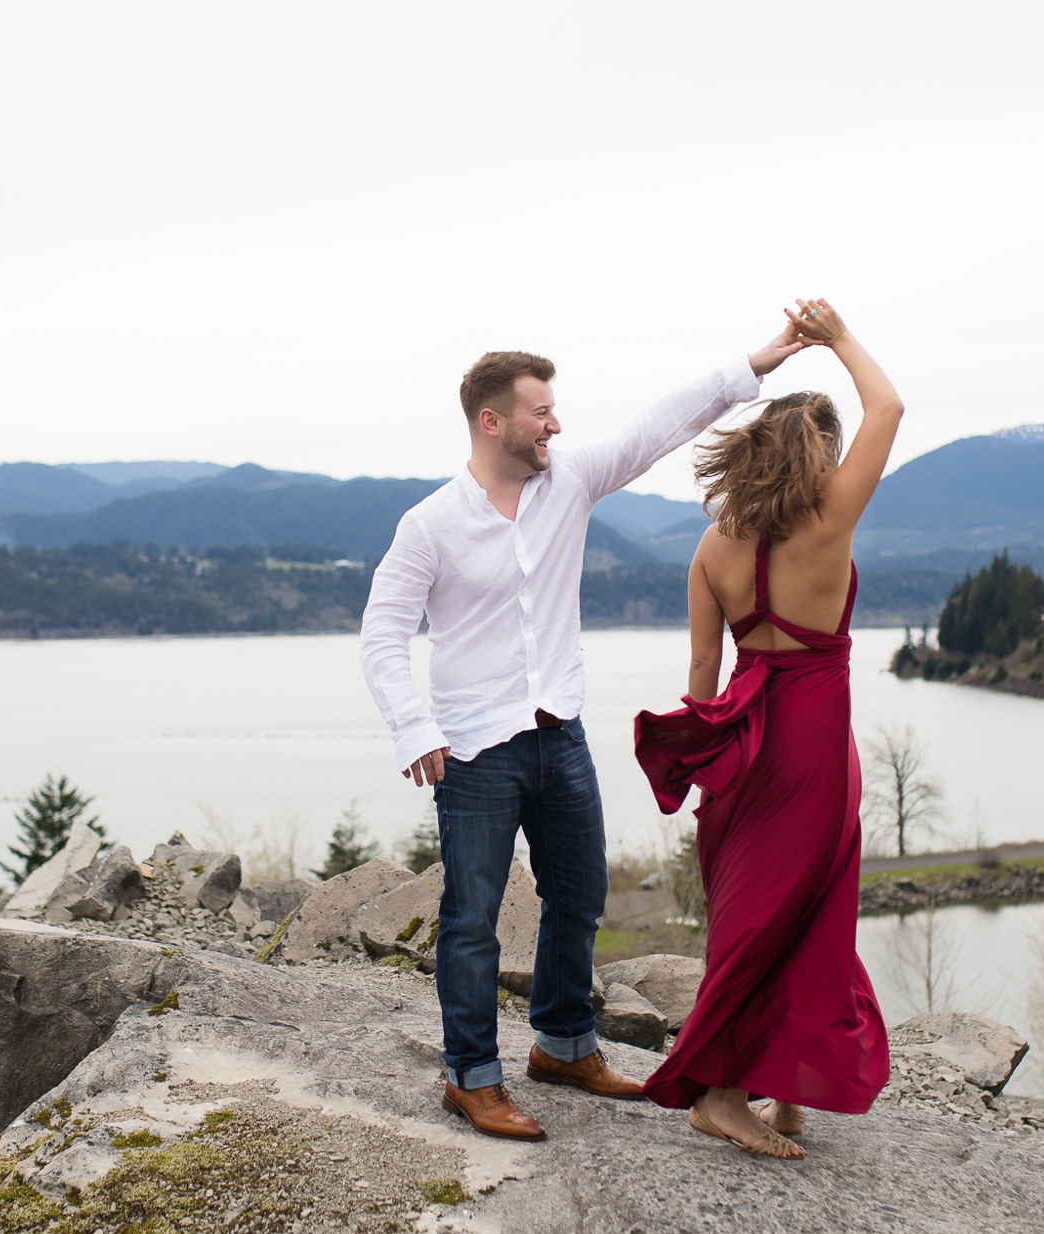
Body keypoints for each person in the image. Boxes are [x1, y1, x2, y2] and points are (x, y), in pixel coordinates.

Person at [359, 320, 815, 1142]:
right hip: (473, 749)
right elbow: (383, 631)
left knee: (580, 894)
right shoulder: (429, 525)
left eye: (556, 410)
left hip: (557, 733)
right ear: (492, 421)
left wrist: (753, 363)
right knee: (472, 917)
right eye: (541, 412)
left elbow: (656, 428)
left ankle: (564, 1045)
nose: (557, 425)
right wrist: (412, 726)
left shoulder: (567, 484)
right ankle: (471, 1077)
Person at [633, 298, 901, 1159]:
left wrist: (709, 778)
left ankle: (786, 1090)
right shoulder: (829, 525)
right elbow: (888, 408)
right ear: (817, 458)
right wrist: (840, 338)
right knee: (812, 915)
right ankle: (718, 1092)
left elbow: (701, 683)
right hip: (817, 746)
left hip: (745, 749)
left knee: (758, 917)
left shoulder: (713, 548)